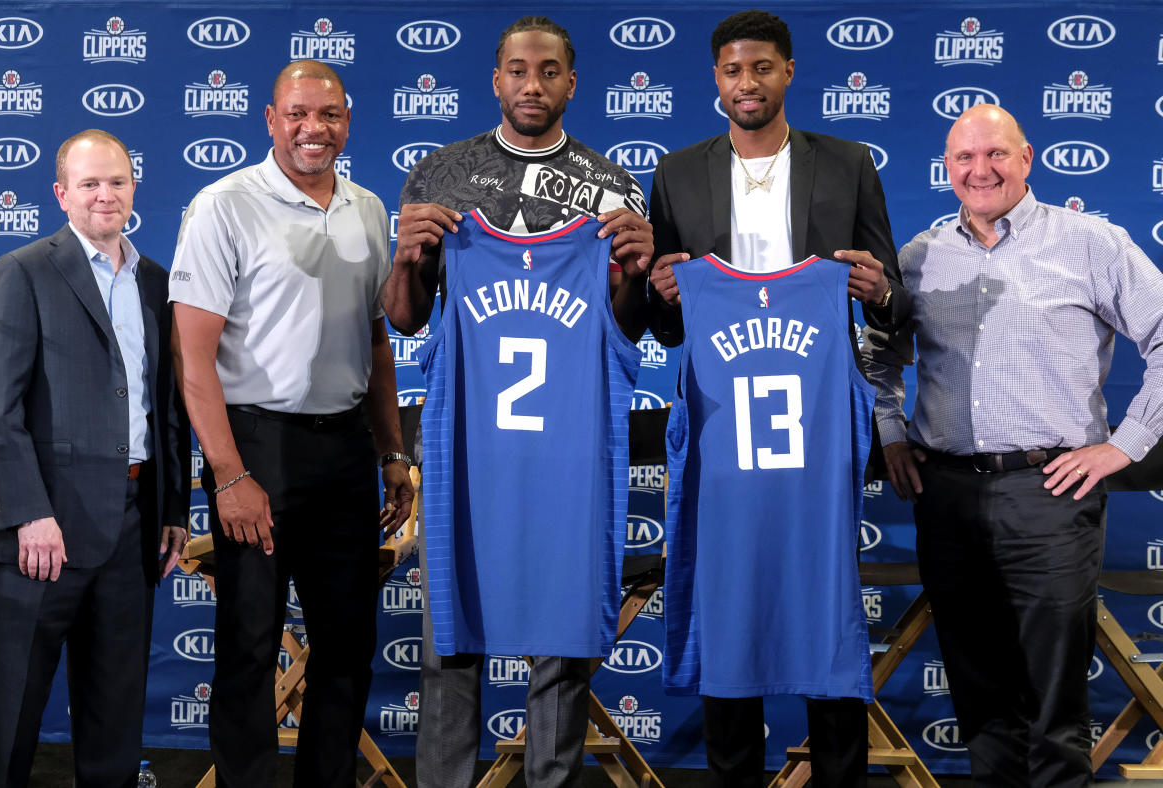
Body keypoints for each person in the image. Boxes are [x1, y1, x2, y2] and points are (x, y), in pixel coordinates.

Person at [382, 16, 653, 788]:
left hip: (567, 463)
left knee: (561, 651)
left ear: (572, 80)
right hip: (469, 459)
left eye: (548, 71)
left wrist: (633, 268)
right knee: (451, 645)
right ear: (496, 78)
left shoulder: (612, 190)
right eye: (517, 70)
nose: (532, 84)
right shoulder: (440, 177)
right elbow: (404, 319)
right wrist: (407, 257)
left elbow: (624, 332)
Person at [861, 104, 1163, 787]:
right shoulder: (919, 256)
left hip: (1051, 493)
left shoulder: (1091, 243)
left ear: (1028, 159)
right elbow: (881, 356)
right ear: (947, 168)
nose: (980, 170)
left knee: (1054, 706)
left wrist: (1126, 445)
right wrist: (892, 433)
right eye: (964, 158)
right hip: (946, 493)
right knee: (980, 699)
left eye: (996, 154)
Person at [645, 10, 909, 786]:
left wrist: (879, 290)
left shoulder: (848, 161)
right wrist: (663, 293)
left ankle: (838, 775)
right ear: (716, 81)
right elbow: (666, 326)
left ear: (788, 72)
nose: (746, 83)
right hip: (721, 426)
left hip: (816, 425)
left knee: (823, 587)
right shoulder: (678, 172)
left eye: (761, 68)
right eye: (732, 70)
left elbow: (890, 301)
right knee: (729, 601)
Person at [169, 60, 413, 788]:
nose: (316, 129)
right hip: (256, 448)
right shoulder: (223, 205)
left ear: (348, 120)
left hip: (344, 450)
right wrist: (230, 474)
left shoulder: (369, 207)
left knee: (346, 644)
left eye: (330, 115)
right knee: (249, 644)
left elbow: (376, 341)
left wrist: (392, 451)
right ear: (270, 120)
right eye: (299, 114)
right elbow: (193, 359)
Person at [0, 129, 189, 788]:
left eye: (116, 181)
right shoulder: (24, 271)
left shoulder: (154, 280)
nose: (104, 195)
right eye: (89, 183)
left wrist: (171, 507)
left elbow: (165, 406)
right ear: (62, 194)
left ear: (133, 189)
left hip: (132, 523)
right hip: (43, 530)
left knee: (114, 720)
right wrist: (31, 514)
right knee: (9, 719)